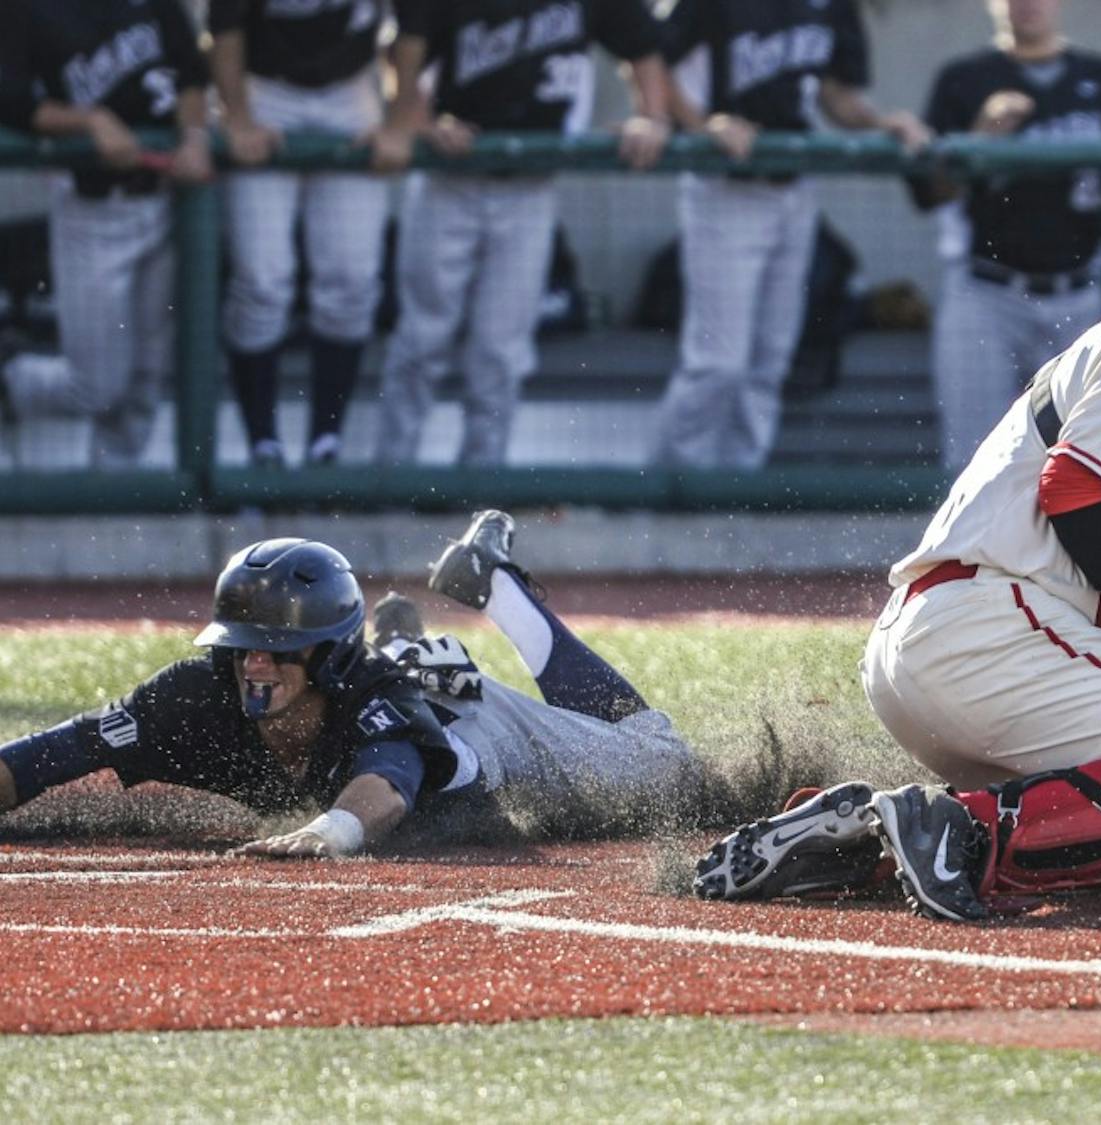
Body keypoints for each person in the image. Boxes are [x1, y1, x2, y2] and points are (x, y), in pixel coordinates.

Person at [696, 169, 1101, 921]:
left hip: (947, 640)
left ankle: (864, 843)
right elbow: (1081, 498)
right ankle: (956, 828)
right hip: (995, 634)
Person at [0, 511, 698, 856]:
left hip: (470, 721)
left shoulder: (377, 697)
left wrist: (332, 830)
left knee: (668, 762)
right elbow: (58, 751)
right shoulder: (192, 696)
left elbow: (388, 781)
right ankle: (405, 637)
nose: (256, 665)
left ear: (330, 655)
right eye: (243, 648)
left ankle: (500, 589)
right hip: (398, 672)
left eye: (280, 650)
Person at [370, 0, 674, 467]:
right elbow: (402, 54)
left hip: (530, 184)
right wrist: (418, 120)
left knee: (501, 348)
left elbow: (643, 43)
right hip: (450, 178)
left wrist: (652, 116)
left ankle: (482, 482)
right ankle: (390, 478)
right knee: (423, 339)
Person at [651, 0, 930, 470]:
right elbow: (649, 62)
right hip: (725, 187)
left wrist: (880, 122)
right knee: (718, 363)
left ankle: (735, 487)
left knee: (769, 361)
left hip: (794, 188)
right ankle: (667, 493)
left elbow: (834, 95)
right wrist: (703, 124)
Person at [914, 0, 1101, 470]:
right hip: (985, 293)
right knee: (973, 462)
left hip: (1079, 293)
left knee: (1083, 459)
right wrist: (981, 137)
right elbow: (929, 192)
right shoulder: (965, 77)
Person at [0, 0, 214, 467]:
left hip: (166, 201)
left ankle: (116, 504)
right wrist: (88, 121)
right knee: (96, 385)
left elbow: (191, 69)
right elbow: (10, 98)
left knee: (143, 384)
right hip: (93, 208)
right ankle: (10, 378)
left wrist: (195, 136)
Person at [208, 0, 395, 469]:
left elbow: (417, 24)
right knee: (261, 281)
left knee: (352, 281)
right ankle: (262, 446)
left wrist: (402, 115)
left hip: (352, 90)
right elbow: (223, 27)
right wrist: (236, 114)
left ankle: (326, 443)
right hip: (265, 87)